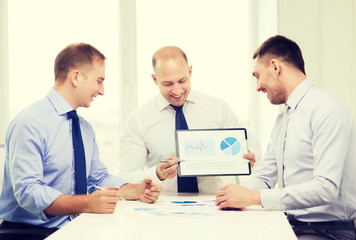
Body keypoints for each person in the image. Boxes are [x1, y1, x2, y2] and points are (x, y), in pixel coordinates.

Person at [0, 43, 162, 239]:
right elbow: (28, 192)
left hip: (75, 228)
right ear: (76, 77)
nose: (102, 91)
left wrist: (137, 190)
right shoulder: (30, 123)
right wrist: (86, 203)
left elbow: (98, 179)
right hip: (28, 233)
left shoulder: (84, 128)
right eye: (99, 81)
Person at [216, 35, 356, 239]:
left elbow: (326, 188)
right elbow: (265, 176)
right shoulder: (284, 118)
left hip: (327, 231)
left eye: (257, 76)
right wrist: (232, 196)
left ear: (275, 67)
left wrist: (253, 197)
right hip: (290, 223)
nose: (257, 87)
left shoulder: (328, 110)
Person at [119, 46, 260, 193]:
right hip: (165, 208)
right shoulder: (138, 120)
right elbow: (126, 177)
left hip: (216, 204)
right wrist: (156, 173)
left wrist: (250, 154)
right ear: (155, 79)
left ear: (190, 72)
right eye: (168, 84)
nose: (177, 91)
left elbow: (250, 143)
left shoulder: (217, 108)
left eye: (182, 80)